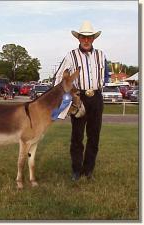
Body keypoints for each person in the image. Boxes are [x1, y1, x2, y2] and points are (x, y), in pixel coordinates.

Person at [54, 21, 109, 181]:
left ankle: (88, 170)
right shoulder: (71, 55)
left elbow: (106, 76)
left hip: (96, 98)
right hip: (80, 98)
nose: (86, 40)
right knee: (77, 136)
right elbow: (58, 77)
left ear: (93, 38)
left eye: (89, 37)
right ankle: (76, 170)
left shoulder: (101, 55)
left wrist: (101, 86)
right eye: (83, 37)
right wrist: (66, 96)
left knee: (94, 136)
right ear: (78, 38)